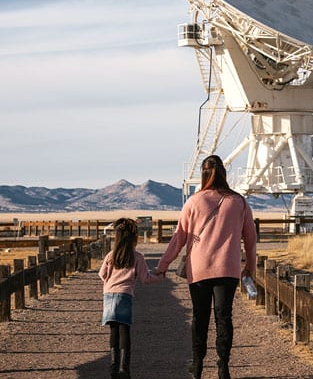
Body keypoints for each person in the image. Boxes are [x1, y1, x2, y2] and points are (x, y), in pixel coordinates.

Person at [156, 154, 257, 379]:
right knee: (224, 317)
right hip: (228, 269)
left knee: (200, 316)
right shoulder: (238, 202)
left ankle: (198, 363)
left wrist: (164, 265)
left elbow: (179, 237)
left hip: (199, 269)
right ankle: (223, 366)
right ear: (223, 173)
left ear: (203, 174)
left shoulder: (194, 201)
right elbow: (251, 239)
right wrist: (250, 267)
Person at [99, 217, 164, 379]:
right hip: (125, 295)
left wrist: (110, 282)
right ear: (134, 239)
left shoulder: (110, 256)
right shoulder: (137, 257)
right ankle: (124, 368)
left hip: (108, 296)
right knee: (125, 331)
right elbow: (145, 278)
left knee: (113, 331)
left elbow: (102, 274)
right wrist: (160, 276)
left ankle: (113, 367)